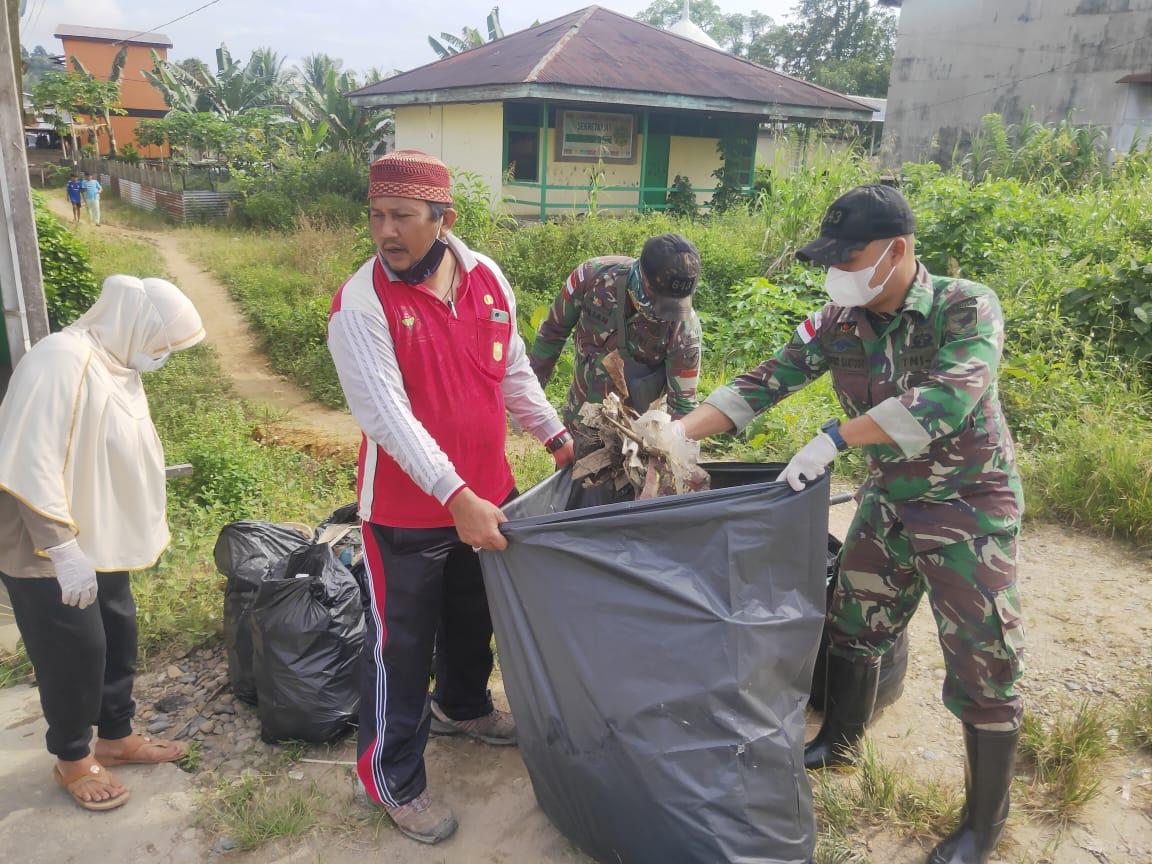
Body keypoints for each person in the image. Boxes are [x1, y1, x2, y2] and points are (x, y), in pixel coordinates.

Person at [678, 185, 1024, 864]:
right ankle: (839, 743)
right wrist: (673, 433)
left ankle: (983, 826)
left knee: (984, 661)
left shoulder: (965, 306)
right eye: (832, 259)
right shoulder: (839, 321)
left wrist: (836, 437)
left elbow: (945, 400)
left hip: (967, 507)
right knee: (853, 622)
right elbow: (764, 381)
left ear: (898, 250)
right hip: (890, 498)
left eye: (850, 257)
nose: (838, 272)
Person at [326, 150, 574, 845]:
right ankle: (393, 779)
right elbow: (388, 417)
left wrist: (554, 434)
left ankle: (462, 706)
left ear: (443, 219)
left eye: (402, 216)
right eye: (377, 216)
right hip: (404, 513)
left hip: (489, 498)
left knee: (474, 616)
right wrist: (454, 495)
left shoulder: (486, 278)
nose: (386, 231)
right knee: (399, 648)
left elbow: (511, 368)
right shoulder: (361, 305)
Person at [0, 275, 206, 812]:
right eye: (162, 340)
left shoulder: (116, 365)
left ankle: (115, 736)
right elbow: (28, 458)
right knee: (73, 650)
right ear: (136, 322)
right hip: (47, 548)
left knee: (117, 635)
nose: (162, 353)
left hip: (99, 537)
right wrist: (62, 549)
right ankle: (72, 758)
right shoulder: (58, 360)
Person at [529, 234, 702, 458]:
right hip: (579, 423)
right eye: (659, 299)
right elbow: (552, 333)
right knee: (573, 478)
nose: (665, 313)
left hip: (636, 440)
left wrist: (677, 459)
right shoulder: (593, 277)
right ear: (643, 275)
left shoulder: (683, 328)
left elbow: (683, 407)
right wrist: (531, 398)